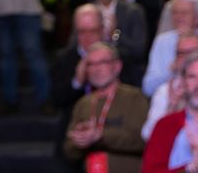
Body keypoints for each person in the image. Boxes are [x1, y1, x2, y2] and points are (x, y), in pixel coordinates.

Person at [62, 43, 148, 173]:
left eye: (102, 62)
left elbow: (142, 140)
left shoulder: (135, 98)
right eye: (91, 64)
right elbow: (69, 151)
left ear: (117, 66)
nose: (96, 69)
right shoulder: (83, 103)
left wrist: (101, 135)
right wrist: (80, 141)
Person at [88, 0, 148, 85]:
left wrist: (115, 34)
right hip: (93, 72)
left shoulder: (133, 12)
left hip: (126, 73)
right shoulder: (86, 13)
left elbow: (139, 50)